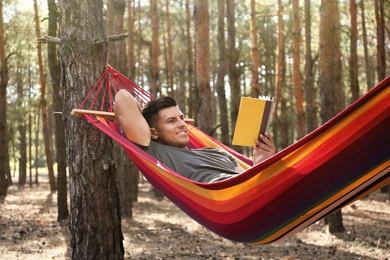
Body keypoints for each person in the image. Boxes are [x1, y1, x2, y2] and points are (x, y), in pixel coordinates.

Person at [114, 89, 276, 183]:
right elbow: (122, 97)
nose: (182, 124)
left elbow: (249, 181)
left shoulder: (217, 152)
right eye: (171, 121)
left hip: (252, 191)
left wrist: (262, 163)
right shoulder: (155, 152)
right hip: (229, 197)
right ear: (153, 132)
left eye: (182, 118)